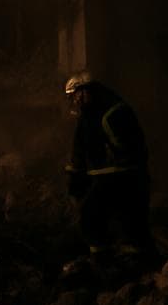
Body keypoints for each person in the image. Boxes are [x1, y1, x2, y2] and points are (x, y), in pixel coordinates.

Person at [63, 72, 155, 274]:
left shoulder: (114, 112)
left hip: (126, 177)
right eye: (72, 97)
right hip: (107, 177)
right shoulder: (88, 117)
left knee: (123, 218)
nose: (74, 101)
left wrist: (120, 171)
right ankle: (106, 260)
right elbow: (79, 151)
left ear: (86, 91)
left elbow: (132, 149)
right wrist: (74, 178)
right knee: (92, 215)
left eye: (75, 95)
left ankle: (133, 263)